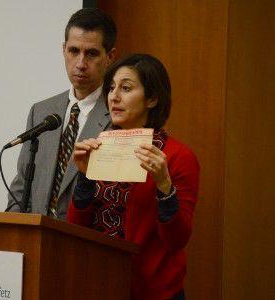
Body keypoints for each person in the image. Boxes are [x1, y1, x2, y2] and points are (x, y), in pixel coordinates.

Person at [67, 54, 200, 300]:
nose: (114, 96)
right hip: (97, 285)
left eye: (126, 88)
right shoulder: (98, 147)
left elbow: (176, 240)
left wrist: (164, 185)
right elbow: (76, 229)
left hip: (153, 291)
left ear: (152, 98)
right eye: (111, 88)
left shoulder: (178, 156)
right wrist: (85, 176)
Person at [6, 8, 117, 219]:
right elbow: (21, 187)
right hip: (36, 243)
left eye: (91, 53)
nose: (81, 64)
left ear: (110, 56)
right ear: (63, 49)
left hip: (83, 244)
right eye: (74, 51)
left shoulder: (117, 116)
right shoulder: (41, 111)